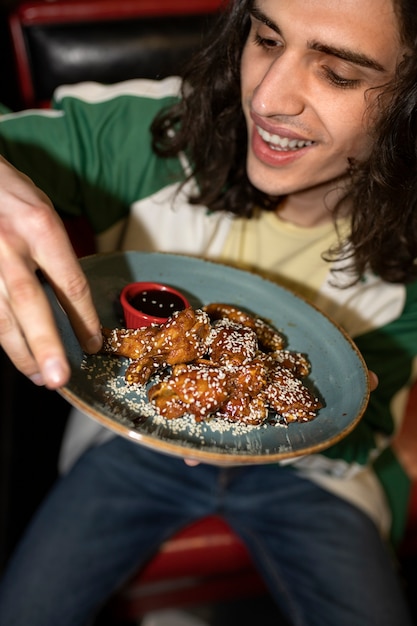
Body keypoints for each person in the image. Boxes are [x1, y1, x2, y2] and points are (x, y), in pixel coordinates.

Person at [0, 0, 416, 623]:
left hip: (318, 475)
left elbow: (375, 418)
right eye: (268, 40)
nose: (269, 98)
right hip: (133, 446)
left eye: (339, 75)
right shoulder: (153, 132)